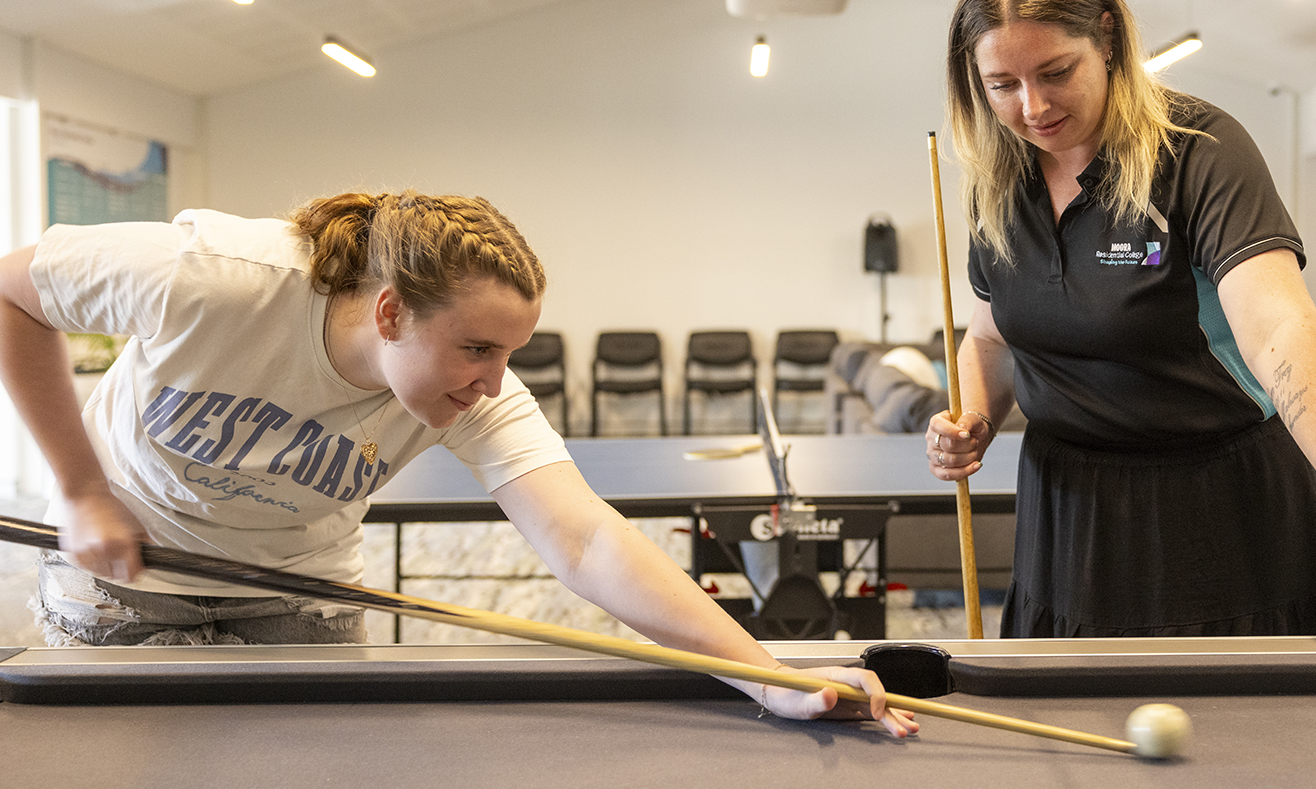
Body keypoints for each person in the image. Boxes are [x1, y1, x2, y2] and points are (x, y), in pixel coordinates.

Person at [0, 190, 915, 735]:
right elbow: (12, 294)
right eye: (476, 348)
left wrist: (768, 678)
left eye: (509, 353)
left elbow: (587, 541)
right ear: (390, 312)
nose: (494, 381)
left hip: (298, 585)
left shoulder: (479, 393)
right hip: (128, 569)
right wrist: (80, 490)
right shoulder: (212, 276)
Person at [925, 0, 1316, 652]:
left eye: (1056, 72)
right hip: (1067, 519)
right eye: (1002, 85)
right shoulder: (997, 182)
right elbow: (992, 336)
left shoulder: (1198, 150)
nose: (1033, 105)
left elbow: (1279, 328)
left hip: (1220, 508)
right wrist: (973, 418)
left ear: (1107, 39)